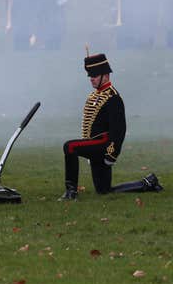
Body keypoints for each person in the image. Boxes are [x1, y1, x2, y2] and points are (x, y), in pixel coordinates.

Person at [60, 53, 163, 200]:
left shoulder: (113, 98)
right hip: (94, 145)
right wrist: (88, 146)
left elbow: (119, 130)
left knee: (69, 146)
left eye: (95, 75)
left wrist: (111, 154)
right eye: (90, 76)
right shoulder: (94, 96)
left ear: (106, 76)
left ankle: (71, 192)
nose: (92, 79)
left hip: (104, 145)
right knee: (104, 191)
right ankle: (147, 183)